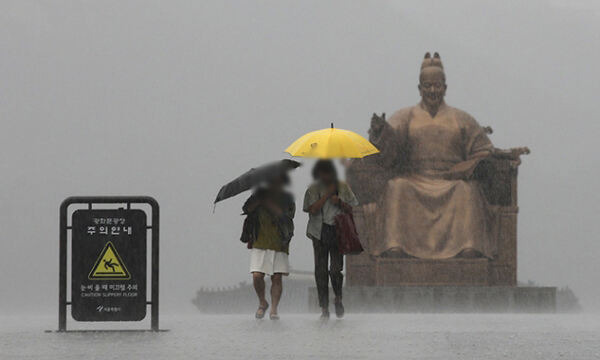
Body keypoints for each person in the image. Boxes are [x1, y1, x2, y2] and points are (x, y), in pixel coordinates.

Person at [367, 52, 495, 259]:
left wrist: (469, 165)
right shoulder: (404, 116)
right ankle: (395, 247)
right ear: (419, 89)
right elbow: (390, 151)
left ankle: (468, 248)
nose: (433, 91)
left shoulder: (461, 119)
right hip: (414, 178)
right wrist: (381, 132)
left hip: (451, 181)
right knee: (396, 187)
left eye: (437, 86)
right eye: (427, 86)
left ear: (445, 87)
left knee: (468, 191)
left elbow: (484, 149)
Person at [303, 160, 358, 319]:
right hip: (318, 232)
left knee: (335, 269)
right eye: (323, 173)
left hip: (337, 231)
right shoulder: (313, 189)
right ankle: (324, 308)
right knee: (320, 271)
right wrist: (327, 195)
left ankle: (338, 298)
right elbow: (311, 210)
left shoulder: (343, 187)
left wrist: (339, 202)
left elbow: (351, 207)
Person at [242, 173, 295, 320]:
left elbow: (286, 216)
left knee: (276, 277)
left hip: (280, 241)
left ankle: (274, 309)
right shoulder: (259, 194)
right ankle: (262, 302)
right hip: (260, 240)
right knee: (257, 275)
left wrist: (269, 203)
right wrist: (258, 200)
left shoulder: (287, 198)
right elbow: (247, 209)